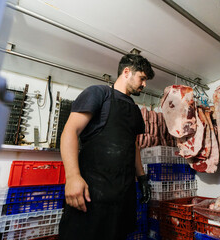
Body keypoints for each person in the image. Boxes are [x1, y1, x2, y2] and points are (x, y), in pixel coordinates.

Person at [58, 54, 154, 240]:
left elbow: (133, 145)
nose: (144, 85)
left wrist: (141, 178)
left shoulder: (134, 110)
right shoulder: (98, 94)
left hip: (123, 195)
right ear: (127, 72)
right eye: (142, 78)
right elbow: (70, 131)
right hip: (92, 194)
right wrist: (72, 176)